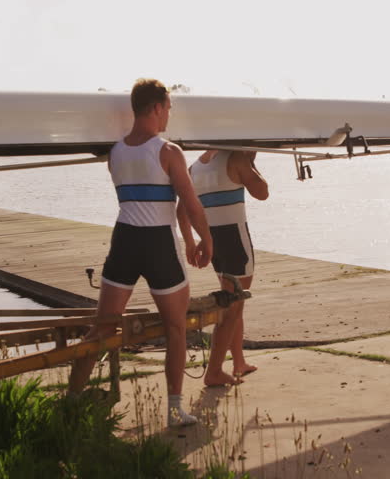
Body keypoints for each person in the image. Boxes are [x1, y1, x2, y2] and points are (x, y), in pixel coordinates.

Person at [67, 78, 213, 427]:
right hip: (159, 243)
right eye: (168, 109)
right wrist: (207, 241)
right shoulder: (168, 151)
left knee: (100, 329)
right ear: (156, 107)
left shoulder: (115, 153)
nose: (168, 116)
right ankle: (175, 410)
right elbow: (191, 206)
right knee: (176, 327)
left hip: (125, 242)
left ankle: (70, 403)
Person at [179, 149, 268, 386]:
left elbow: (182, 210)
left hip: (214, 240)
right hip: (236, 240)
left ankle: (239, 362)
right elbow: (262, 193)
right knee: (233, 308)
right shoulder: (237, 158)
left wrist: (190, 242)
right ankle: (214, 371)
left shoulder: (195, 167)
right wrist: (251, 161)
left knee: (233, 302)